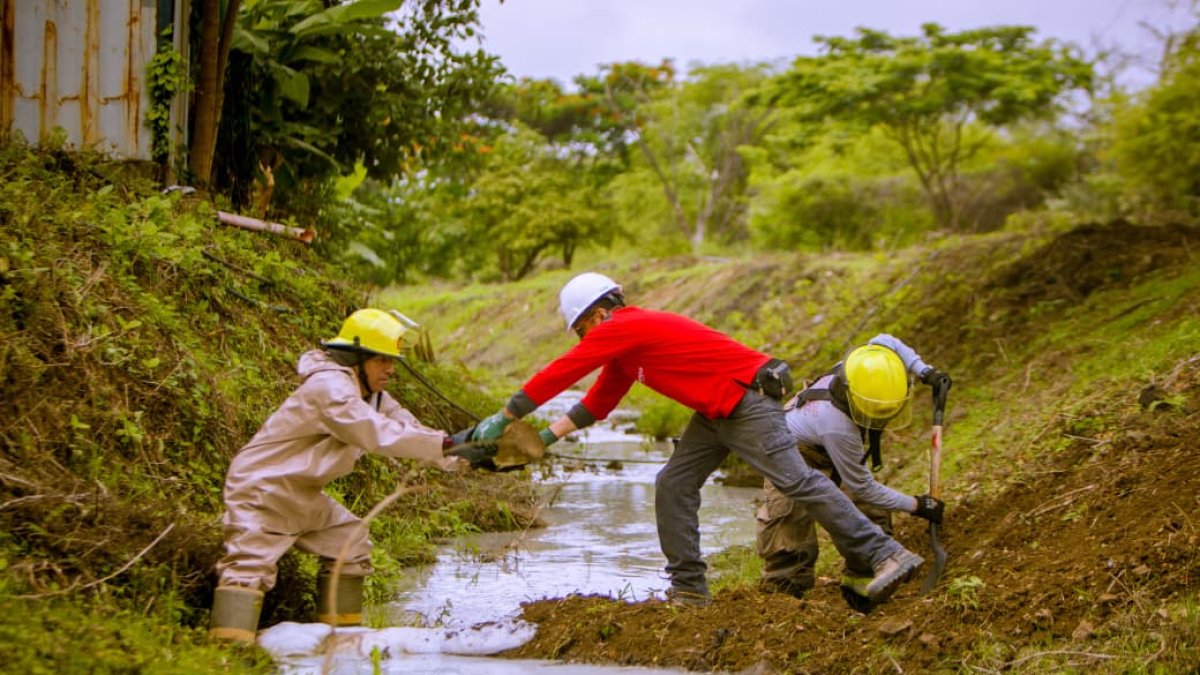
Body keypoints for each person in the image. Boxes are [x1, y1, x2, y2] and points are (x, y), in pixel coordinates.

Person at [469, 272, 924, 607]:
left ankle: (886, 554)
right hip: (715, 411)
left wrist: (504, 415)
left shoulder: (625, 326)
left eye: (583, 329)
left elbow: (563, 370)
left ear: (600, 313)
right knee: (674, 484)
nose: (587, 338)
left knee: (797, 482)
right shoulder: (625, 354)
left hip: (746, 399)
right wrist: (542, 439)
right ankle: (689, 589)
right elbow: (597, 404)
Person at [209, 308, 471, 643]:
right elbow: (376, 433)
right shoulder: (330, 388)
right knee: (247, 571)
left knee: (351, 541)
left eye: (391, 360)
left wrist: (462, 453)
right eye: (381, 360)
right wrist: (443, 445)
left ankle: (341, 647)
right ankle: (227, 655)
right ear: (356, 358)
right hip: (263, 489)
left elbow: (408, 428)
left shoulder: (370, 395)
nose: (390, 369)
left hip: (301, 493)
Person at [755, 335, 951, 611]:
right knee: (790, 529)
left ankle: (862, 585)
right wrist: (917, 505)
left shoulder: (867, 364)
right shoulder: (837, 425)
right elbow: (862, 485)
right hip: (788, 449)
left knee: (868, 512)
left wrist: (924, 371)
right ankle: (781, 602)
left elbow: (886, 340)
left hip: (824, 442)